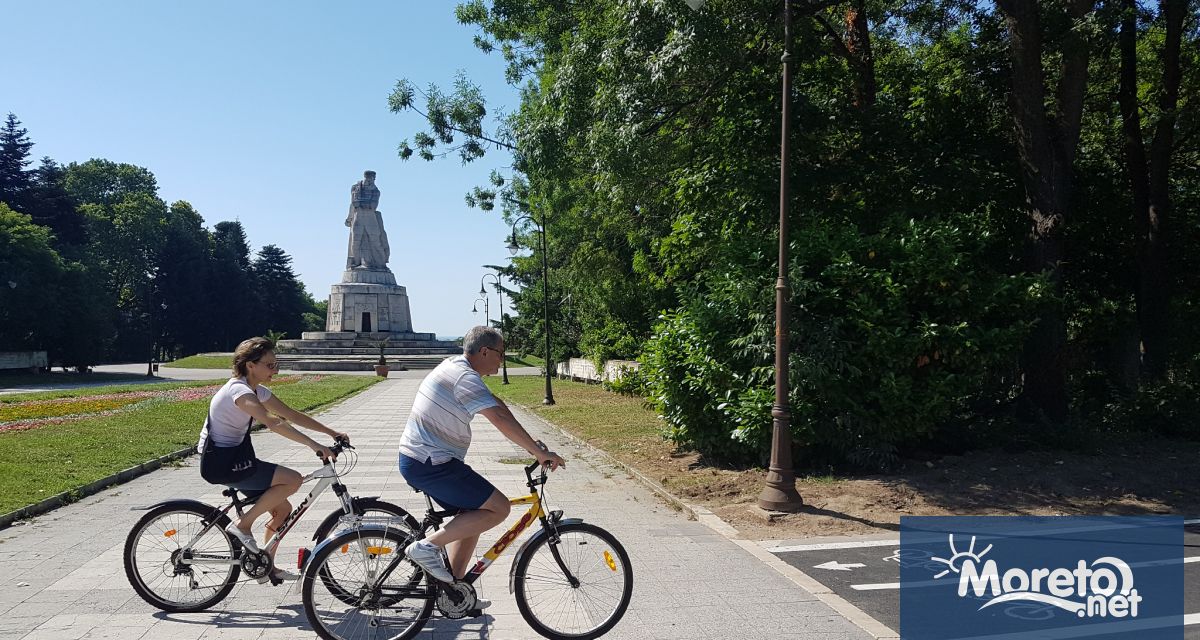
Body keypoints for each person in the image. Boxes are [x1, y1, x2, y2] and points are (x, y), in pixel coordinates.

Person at [399, 326, 566, 590]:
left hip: (426, 459)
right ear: (485, 351)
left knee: (475, 511)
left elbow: (498, 406)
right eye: (501, 353)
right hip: (430, 463)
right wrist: (539, 453)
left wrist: (534, 446)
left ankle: (453, 588)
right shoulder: (464, 377)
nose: (502, 360)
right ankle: (425, 547)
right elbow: (498, 419)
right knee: (499, 508)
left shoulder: (457, 367)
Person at [197, 337, 349, 582]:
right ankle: (242, 525)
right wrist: (314, 445)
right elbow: (273, 422)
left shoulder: (256, 389)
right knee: (293, 480)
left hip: (235, 459)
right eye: (269, 365)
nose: (274, 370)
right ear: (250, 365)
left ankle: (265, 564)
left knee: (283, 510)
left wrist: (331, 433)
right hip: (222, 463)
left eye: (276, 364)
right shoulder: (239, 391)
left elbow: (290, 414)